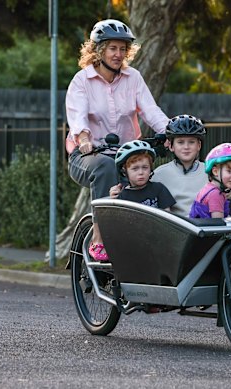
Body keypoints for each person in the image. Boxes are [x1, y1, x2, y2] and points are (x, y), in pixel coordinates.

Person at [65, 19, 169, 261]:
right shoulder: (81, 81)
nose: (118, 54)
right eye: (113, 48)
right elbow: (77, 117)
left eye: (123, 49)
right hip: (88, 156)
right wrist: (83, 139)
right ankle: (99, 239)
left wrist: (170, 134)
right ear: (99, 50)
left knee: (153, 179)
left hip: (127, 154)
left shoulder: (133, 78)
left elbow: (150, 111)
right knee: (105, 167)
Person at [150, 114, 231, 217]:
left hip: (209, 225)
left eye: (191, 142)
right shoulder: (159, 174)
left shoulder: (210, 170)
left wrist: (230, 192)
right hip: (179, 228)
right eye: (180, 142)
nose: (186, 147)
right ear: (171, 146)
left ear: (199, 145)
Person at [189, 143, 231, 218]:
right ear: (215, 171)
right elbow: (219, 225)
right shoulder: (216, 195)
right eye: (229, 171)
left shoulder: (209, 187)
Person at [111, 140, 176, 212]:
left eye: (145, 167)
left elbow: (167, 215)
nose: (141, 172)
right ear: (124, 171)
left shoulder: (158, 189)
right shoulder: (122, 196)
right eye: (135, 168)